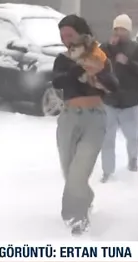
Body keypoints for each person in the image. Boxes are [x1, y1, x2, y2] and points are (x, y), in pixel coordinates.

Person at [51, 14, 119, 235]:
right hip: (69, 117)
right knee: (69, 170)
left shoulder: (99, 57)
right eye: (62, 36)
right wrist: (79, 67)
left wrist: (98, 72)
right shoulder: (63, 59)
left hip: (94, 118)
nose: (66, 40)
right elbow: (58, 81)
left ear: (81, 33)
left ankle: (76, 217)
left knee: (79, 172)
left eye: (69, 34)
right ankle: (86, 197)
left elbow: (113, 85)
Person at [100, 14, 138, 182]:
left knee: (132, 136)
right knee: (107, 139)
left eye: (122, 29)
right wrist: (108, 48)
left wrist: (129, 63)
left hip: (130, 101)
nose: (119, 32)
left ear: (128, 31)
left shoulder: (136, 48)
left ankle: (133, 159)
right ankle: (107, 171)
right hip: (110, 100)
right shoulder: (106, 47)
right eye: (116, 29)